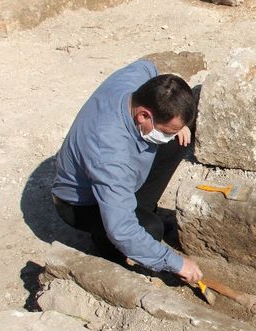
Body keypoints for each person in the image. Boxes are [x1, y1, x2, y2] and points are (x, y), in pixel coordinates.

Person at [52, 60, 203, 284]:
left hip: (112, 176)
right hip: (80, 203)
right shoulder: (109, 154)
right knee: (150, 229)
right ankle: (109, 250)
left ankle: (139, 210)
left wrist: (176, 126)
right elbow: (122, 229)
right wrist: (176, 262)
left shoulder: (135, 79)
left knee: (180, 139)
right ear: (143, 116)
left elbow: (148, 66)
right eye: (165, 131)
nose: (168, 134)